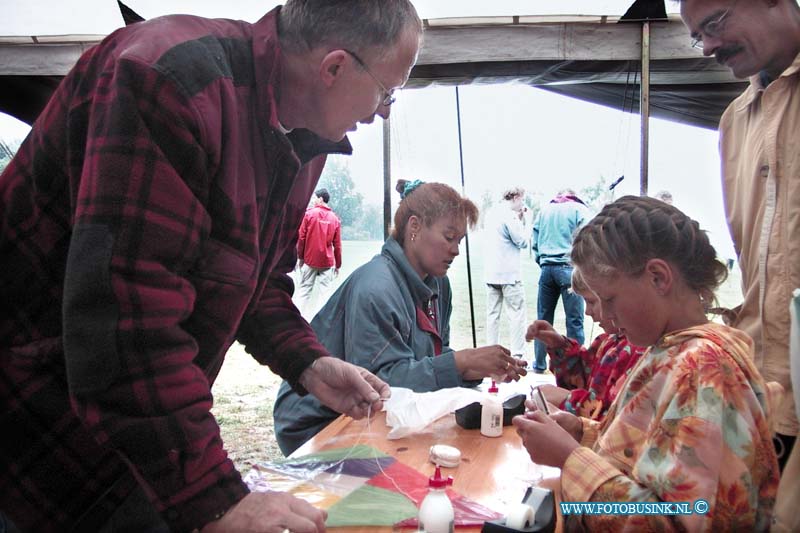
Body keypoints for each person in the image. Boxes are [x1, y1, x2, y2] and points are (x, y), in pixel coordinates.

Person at [0, 1, 423, 531]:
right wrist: (218, 501)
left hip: (132, 439)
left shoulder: (305, 136)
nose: (385, 110)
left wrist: (308, 362)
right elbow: (126, 328)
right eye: (389, 91)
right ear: (334, 66)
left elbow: (255, 277)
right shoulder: (171, 80)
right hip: (32, 425)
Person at [513, 196, 779, 531]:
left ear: (657, 277)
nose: (605, 315)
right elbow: (653, 453)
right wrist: (583, 434)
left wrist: (570, 458)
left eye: (609, 299)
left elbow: (674, 522)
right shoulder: (673, 352)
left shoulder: (704, 371)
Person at [274, 180, 528, 455]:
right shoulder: (376, 287)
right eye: (448, 237)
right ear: (415, 227)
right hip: (319, 420)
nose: (455, 250)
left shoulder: (439, 284)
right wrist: (460, 364)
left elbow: (428, 357)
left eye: (460, 241)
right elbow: (380, 384)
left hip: (374, 412)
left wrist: (476, 366)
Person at [679, 0, 799, 471]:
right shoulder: (735, 120)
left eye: (714, 23)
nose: (708, 47)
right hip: (763, 392)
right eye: (697, 36)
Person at [525, 269, 646, 421]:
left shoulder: (641, 353)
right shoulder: (606, 341)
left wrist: (568, 399)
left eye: (591, 301)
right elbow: (583, 378)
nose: (587, 311)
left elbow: (615, 421)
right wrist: (559, 346)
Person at [531, 188, 589, 373]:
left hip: (547, 268)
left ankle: (539, 363)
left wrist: (540, 258)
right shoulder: (579, 209)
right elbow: (587, 236)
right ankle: (576, 365)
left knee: (543, 318)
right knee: (574, 319)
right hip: (568, 267)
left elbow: (534, 239)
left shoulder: (545, 210)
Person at [484, 187, 528, 359]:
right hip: (509, 274)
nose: (522, 204)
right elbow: (522, 241)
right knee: (516, 314)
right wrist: (526, 222)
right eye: (522, 200)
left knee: (492, 315)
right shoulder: (509, 215)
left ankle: (490, 352)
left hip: (491, 273)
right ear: (516, 197)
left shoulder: (491, 213)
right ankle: (518, 354)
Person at [295, 187, 342, 319]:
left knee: (304, 291)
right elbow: (337, 245)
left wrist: (301, 258)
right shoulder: (335, 219)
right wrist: (338, 265)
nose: (313, 200)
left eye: (315, 198)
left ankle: (297, 320)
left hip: (310, 260)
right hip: (327, 263)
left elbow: (301, 238)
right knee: (324, 295)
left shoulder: (309, 214)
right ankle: (319, 324)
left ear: (321, 199)